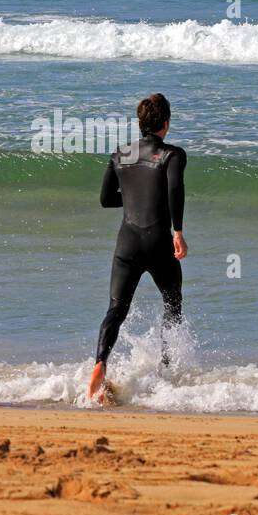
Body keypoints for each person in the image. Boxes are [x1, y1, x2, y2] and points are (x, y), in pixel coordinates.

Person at [89, 93, 188, 401]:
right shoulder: (172, 155)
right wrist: (178, 231)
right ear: (166, 123)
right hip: (159, 242)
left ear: (140, 123)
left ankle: (100, 364)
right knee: (172, 303)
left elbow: (106, 199)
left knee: (116, 309)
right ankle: (167, 370)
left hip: (127, 243)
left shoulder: (121, 154)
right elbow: (174, 189)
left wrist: (132, 198)